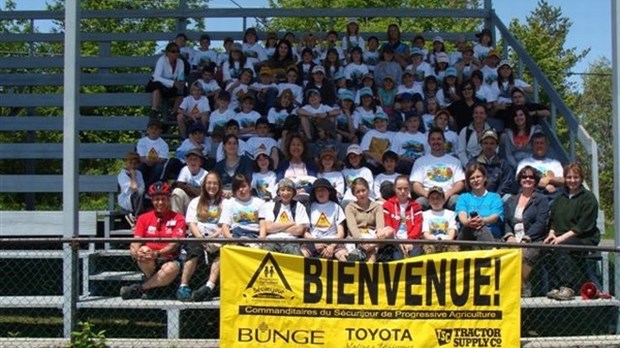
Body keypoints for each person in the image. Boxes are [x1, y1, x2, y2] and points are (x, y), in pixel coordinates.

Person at [544, 163, 601, 301]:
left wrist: (561, 239)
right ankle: (555, 286)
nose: (572, 180)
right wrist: (551, 234)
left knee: (563, 247)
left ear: (581, 178)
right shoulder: (560, 198)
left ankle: (567, 287)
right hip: (561, 236)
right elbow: (553, 220)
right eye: (569, 177)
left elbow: (582, 226)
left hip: (584, 238)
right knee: (545, 247)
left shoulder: (588, 198)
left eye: (576, 177)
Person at [120, 182, 186, 300]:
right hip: (149, 259)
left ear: (169, 199)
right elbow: (137, 240)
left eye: (163, 199)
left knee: (172, 267)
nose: (160, 202)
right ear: (152, 200)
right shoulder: (143, 218)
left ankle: (140, 289)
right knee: (143, 250)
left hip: (168, 259)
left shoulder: (179, 218)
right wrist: (136, 251)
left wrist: (157, 254)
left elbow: (174, 244)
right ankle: (156, 287)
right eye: (156, 199)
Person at [177, 172, 225, 302]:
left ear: (219, 186)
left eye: (215, 183)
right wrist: (201, 239)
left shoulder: (225, 203)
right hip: (198, 235)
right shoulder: (195, 202)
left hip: (217, 237)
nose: (212, 186)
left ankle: (209, 287)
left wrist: (214, 236)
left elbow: (226, 224)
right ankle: (183, 286)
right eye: (209, 183)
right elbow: (192, 223)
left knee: (222, 254)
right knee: (194, 251)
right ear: (204, 185)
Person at [503, 166, 549, 297]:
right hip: (513, 239)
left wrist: (527, 237)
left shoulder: (541, 200)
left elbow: (541, 222)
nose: (527, 179)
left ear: (535, 180)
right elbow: (506, 221)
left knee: (523, 253)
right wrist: (509, 235)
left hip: (533, 240)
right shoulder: (511, 200)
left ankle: (523, 287)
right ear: (519, 179)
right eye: (524, 177)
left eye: (531, 177)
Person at [410, 127, 465, 210]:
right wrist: (428, 195)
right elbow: (416, 185)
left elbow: (460, 183)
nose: (436, 142)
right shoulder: (420, 162)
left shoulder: (455, 161)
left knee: (458, 201)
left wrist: (447, 194)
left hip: (448, 196)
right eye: (433, 139)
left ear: (444, 141)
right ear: (428, 142)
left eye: (439, 139)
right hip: (428, 196)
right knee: (418, 203)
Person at [345, 178, 394, 262]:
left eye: (363, 190)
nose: (361, 194)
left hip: (373, 237)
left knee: (390, 231)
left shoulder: (377, 206)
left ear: (368, 190)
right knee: (371, 253)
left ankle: (365, 249)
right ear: (354, 194)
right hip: (357, 237)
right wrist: (361, 241)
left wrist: (373, 241)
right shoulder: (349, 207)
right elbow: (352, 226)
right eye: (358, 192)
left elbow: (380, 225)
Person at [301, 178, 348, 261]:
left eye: (323, 190)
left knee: (344, 257)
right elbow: (305, 232)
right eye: (317, 190)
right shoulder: (309, 207)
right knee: (301, 256)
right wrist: (315, 242)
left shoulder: (336, 207)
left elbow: (341, 233)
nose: (320, 193)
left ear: (329, 191)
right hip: (313, 241)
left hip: (333, 241)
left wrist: (332, 246)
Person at [455, 163, 504, 242]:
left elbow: (495, 216)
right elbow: (462, 214)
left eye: (478, 177)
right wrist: (468, 222)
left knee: (481, 227)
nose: (476, 180)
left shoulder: (495, 197)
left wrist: (483, 221)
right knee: (474, 225)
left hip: (492, 235)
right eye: (472, 178)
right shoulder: (463, 198)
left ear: (484, 178)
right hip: (468, 235)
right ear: (468, 182)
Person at [259, 178, 309, 255]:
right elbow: (268, 227)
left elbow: (299, 230)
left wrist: (277, 227)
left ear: (293, 192)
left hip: (291, 242)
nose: (285, 193)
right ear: (278, 192)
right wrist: (291, 223)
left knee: (296, 253)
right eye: (283, 190)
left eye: (289, 190)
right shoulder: (271, 206)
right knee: (264, 252)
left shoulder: (299, 206)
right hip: (272, 241)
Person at [383, 175, 424, 259]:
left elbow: (418, 226)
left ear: (409, 189)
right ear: (394, 188)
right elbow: (388, 225)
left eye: (405, 188)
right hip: (394, 240)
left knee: (414, 254)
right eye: (399, 188)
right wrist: (398, 241)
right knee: (397, 255)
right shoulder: (388, 205)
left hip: (411, 240)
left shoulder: (416, 206)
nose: (403, 191)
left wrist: (410, 241)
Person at [468, 129, 514, 199]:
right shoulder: (473, 162)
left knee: (508, 197)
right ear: (481, 145)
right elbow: (468, 183)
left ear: (496, 146)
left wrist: (495, 197)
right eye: (485, 143)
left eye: (492, 143)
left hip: (497, 198)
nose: (489, 146)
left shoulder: (503, 163)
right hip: (476, 197)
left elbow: (506, 183)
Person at [516, 132, 564, 199]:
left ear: (547, 146)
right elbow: (519, 179)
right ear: (532, 146)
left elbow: (562, 181)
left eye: (542, 143)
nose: (539, 146)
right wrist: (545, 185)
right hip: (531, 197)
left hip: (552, 196)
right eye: (536, 143)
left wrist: (548, 179)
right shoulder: (524, 163)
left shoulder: (555, 163)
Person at [220, 174, 265, 244]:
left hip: (254, 236)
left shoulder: (260, 203)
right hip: (236, 235)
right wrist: (231, 240)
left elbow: (263, 225)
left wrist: (261, 241)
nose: (241, 190)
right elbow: (225, 225)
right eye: (237, 188)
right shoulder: (229, 203)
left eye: (244, 186)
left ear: (250, 187)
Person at [145, 42, 185, 118]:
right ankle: (154, 110)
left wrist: (180, 83)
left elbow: (180, 76)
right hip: (159, 83)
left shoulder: (180, 62)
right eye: (173, 51)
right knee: (156, 86)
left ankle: (174, 112)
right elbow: (156, 77)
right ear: (167, 53)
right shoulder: (162, 60)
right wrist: (172, 83)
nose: (175, 53)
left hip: (171, 86)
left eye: (177, 51)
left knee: (183, 91)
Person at [500, 105, 542, 170]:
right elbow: (508, 154)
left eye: (521, 115)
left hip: (532, 164)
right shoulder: (508, 134)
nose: (518, 117)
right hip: (514, 165)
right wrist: (517, 167)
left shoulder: (535, 131)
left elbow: (538, 151)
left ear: (526, 116)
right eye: (516, 116)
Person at [421, 186, 458, 254]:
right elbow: (425, 232)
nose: (435, 201)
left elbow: (452, 230)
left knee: (453, 249)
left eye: (438, 198)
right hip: (430, 242)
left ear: (444, 200)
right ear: (428, 201)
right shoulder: (424, 214)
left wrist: (447, 241)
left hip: (447, 241)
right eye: (432, 198)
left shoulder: (451, 214)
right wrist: (434, 241)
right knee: (429, 249)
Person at [170, 149, 208, 215]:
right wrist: (196, 190)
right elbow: (179, 185)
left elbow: (204, 194)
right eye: (190, 159)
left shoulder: (205, 174)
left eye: (195, 159)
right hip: (187, 201)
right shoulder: (185, 169)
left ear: (200, 162)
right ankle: (177, 220)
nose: (193, 162)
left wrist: (186, 186)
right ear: (187, 161)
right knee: (177, 192)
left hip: (199, 204)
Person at [137, 119, 171, 187]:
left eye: (156, 129)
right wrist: (149, 161)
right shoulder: (142, 141)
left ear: (160, 131)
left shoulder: (163, 144)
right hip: (145, 164)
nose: (153, 131)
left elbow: (163, 159)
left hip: (156, 165)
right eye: (151, 128)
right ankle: (142, 186)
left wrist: (152, 161)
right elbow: (141, 157)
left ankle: (149, 186)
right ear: (148, 130)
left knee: (160, 167)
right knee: (140, 166)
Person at [117, 152, 147, 226]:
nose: (132, 165)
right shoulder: (122, 174)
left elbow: (142, 188)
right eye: (130, 163)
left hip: (139, 198)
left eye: (135, 163)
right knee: (140, 192)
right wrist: (133, 176)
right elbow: (134, 188)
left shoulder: (139, 173)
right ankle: (138, 219)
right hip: (127, 199)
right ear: (126, 162)